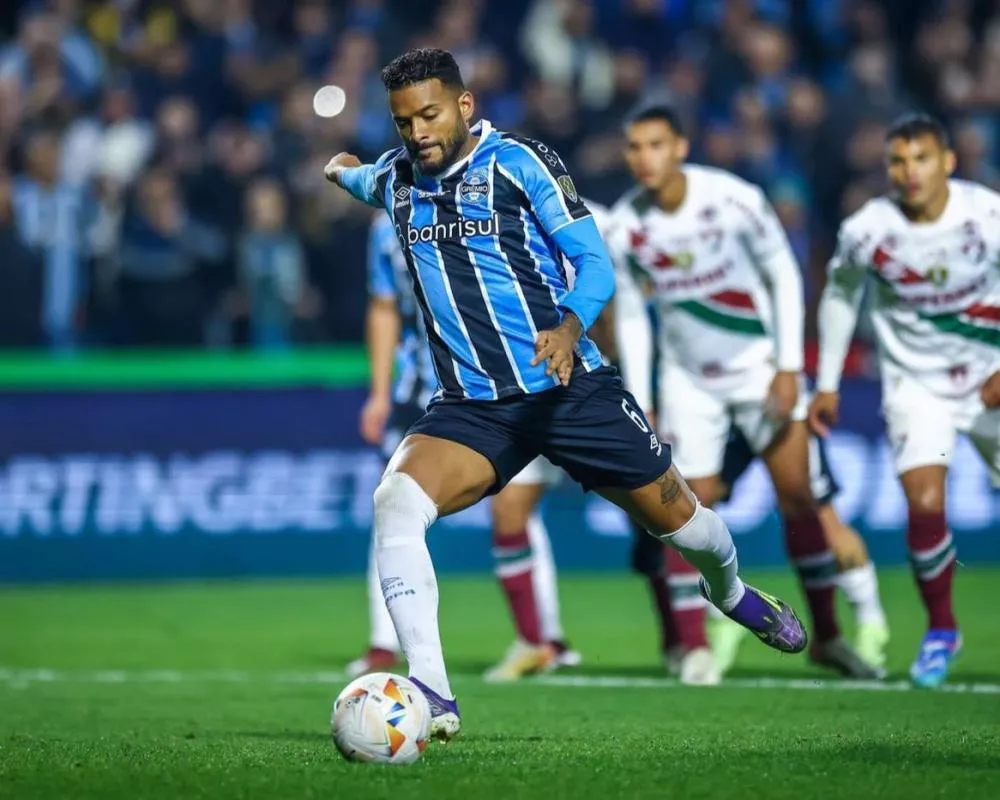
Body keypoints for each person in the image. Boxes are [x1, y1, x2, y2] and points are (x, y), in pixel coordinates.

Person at [325, 48, 807, 740]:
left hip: (568, 387)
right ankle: (432, 690)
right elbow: (367, 180)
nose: (418, 132)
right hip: (473, 406)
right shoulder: (398, 179)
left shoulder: (521, 164)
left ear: (464, 106)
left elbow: (594, 261)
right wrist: (339, 170)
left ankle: (728, 591)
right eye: (404, 122)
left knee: (687, 523)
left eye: (429, 114)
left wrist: (568, 325)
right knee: (395, 501)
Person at [606, 105, 883, 683]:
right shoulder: (626, 226)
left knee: (799, 498)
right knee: (683, 509)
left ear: (681, 147)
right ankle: (693, 647)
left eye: (655, 145)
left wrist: (787, 366)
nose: (643, 158)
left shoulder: (733, 200)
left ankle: (828, 638)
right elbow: (630, 313)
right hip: (689, 383)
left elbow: (784, 273)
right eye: (634, 147)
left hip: (758, 370)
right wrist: (640, 393)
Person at [348, 210, 581, 681]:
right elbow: (384, 305)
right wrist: (378, 392)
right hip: (419, 388)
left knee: (516, 507)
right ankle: (383, 641)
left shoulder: (494, 202)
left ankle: (547, 636)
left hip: (500, 384)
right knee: (391, 503)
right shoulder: (387, 221)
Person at [810, 112, 1000, 688]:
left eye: (921, 159)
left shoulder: (987, 217)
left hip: (989, 377)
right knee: (922, 502)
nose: (909, 172)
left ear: (947, 161)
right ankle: (941, 629)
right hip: (916, 385)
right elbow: (841, 295)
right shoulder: (869, 228)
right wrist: (826, 381)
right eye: (898, 161)